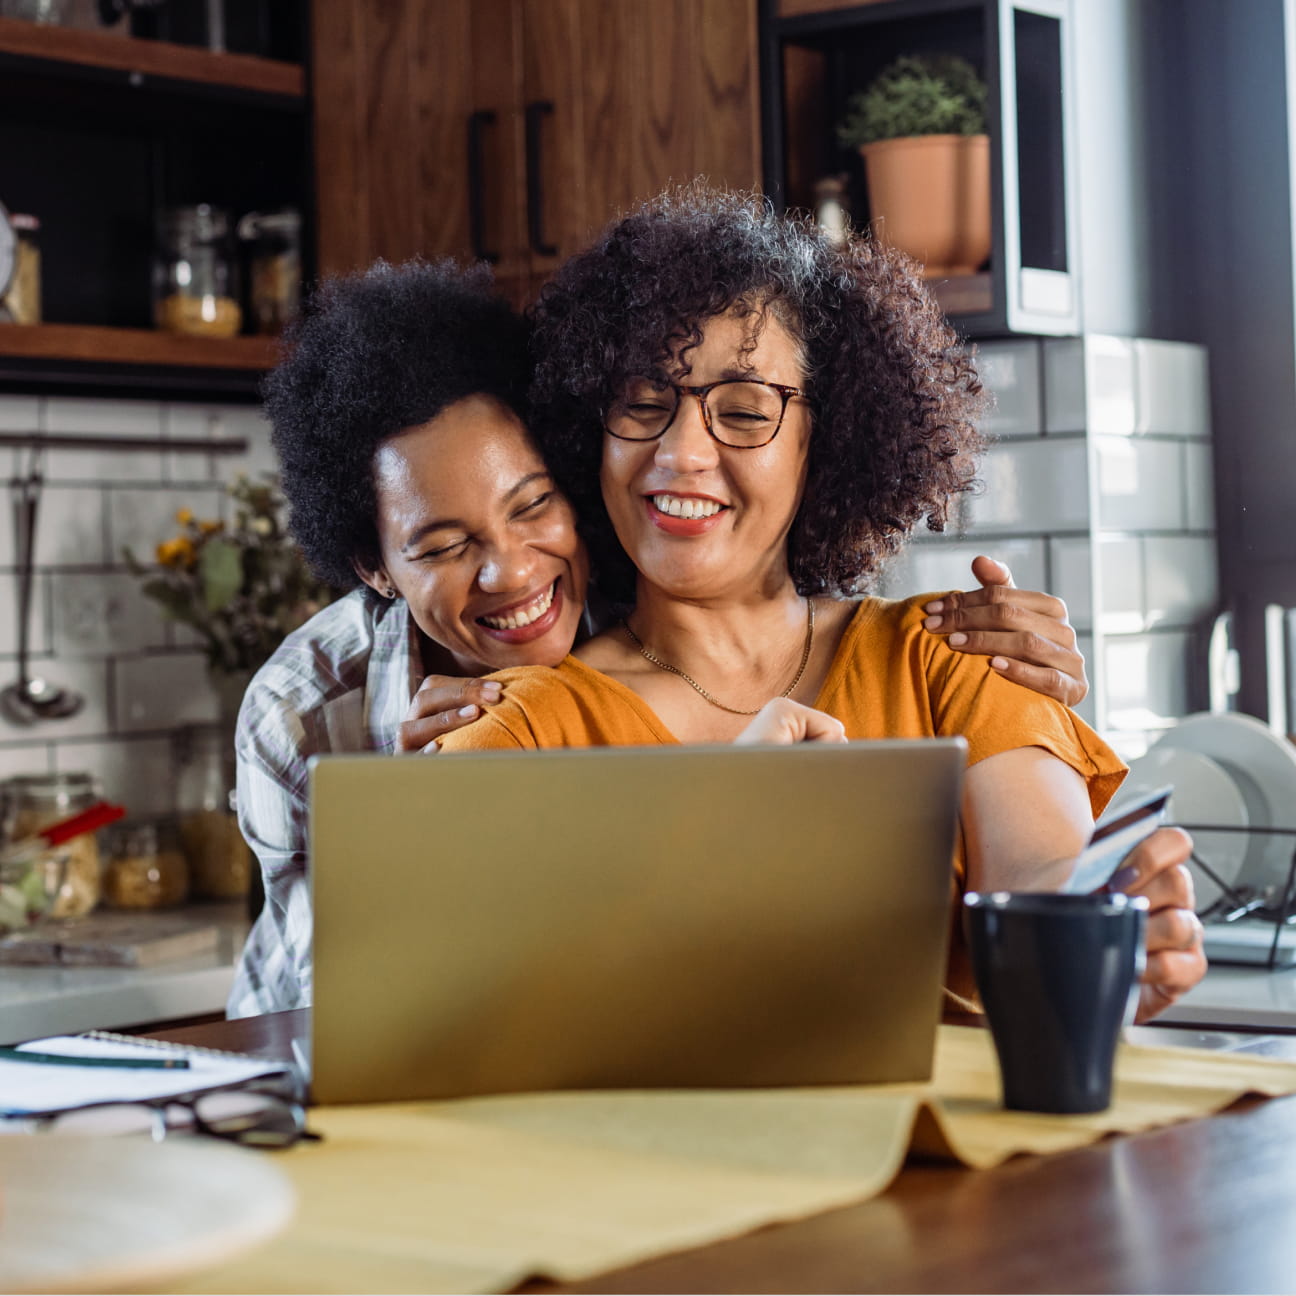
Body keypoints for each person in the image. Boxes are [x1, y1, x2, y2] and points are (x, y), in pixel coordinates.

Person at [228, 258, 1095, 1018]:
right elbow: (375, 1007)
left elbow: (1056, 888)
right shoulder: (303, 713)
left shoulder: (904, 643)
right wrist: (430, 823)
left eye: (532, 506)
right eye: (445, 546)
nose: (514, 574)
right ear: (373, 566)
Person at [437, 189, 1206, 1022]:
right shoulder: (527, 728)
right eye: (642, 403)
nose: (682, 452)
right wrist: (721, 827)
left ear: (825, 438)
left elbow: (1043, 880)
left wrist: (1107, 932)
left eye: (743, 411)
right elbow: (468, 1006)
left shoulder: (951, 656)